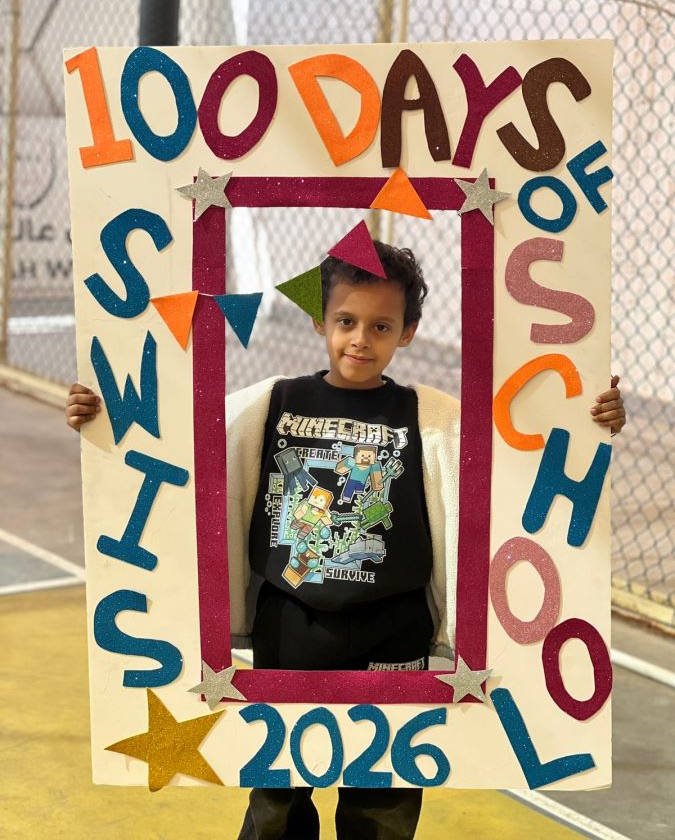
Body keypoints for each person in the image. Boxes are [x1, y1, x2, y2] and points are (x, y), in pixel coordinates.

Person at [66, 242, 626, 839]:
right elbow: (177, 441)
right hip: (291, 626)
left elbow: (519, 454)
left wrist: (589, 422)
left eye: (381, 326)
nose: (360, 339)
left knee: (382, 800)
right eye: (346, 321)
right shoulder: (273, 402)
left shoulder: (431, 416)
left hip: (394, 631)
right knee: (276, 799)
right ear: (320, 321)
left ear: (407, 332)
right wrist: (103, 417)